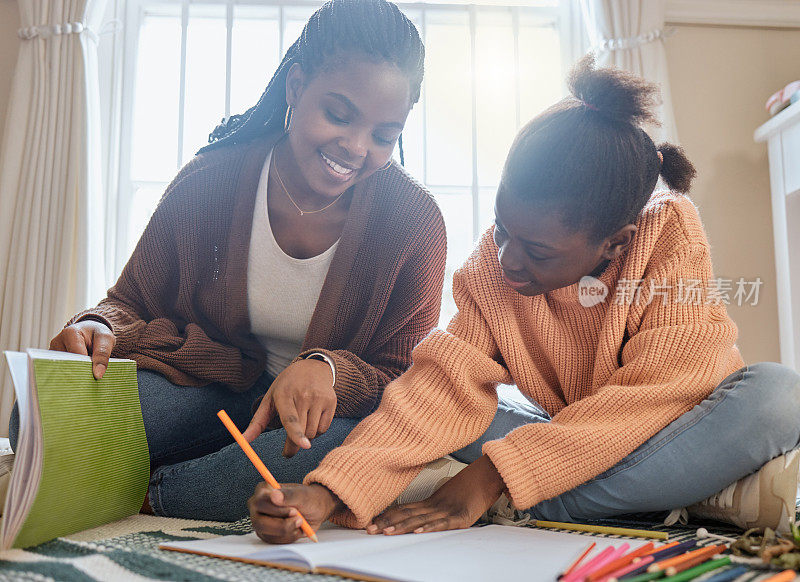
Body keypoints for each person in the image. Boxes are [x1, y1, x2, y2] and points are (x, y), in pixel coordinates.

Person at [248, 55, 800, 544]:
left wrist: (492, 476)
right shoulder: (498, 263)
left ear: (616, 242)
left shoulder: (669, 232)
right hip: (569, 437)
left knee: (780, 395)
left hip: (675, 421)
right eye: (501, 230)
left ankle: (526, 497)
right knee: (437, 408)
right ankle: (681, 494)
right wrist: (330, 492)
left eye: (536, 249)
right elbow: (442, 385)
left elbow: (661, 391)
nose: (509, 258)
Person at [10, 0, 446, 521]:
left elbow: (406, 378)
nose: (355, 147)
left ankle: (157, 494)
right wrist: (95, 326)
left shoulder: (413, 224)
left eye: (384, 136)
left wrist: (328, 369)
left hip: (316, 425)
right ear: (295, 87)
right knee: (37, 416)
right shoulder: (211, 181)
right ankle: (188, 479)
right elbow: (129, 299)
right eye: (339, 115)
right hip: (208, 386)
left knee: (354, 454)